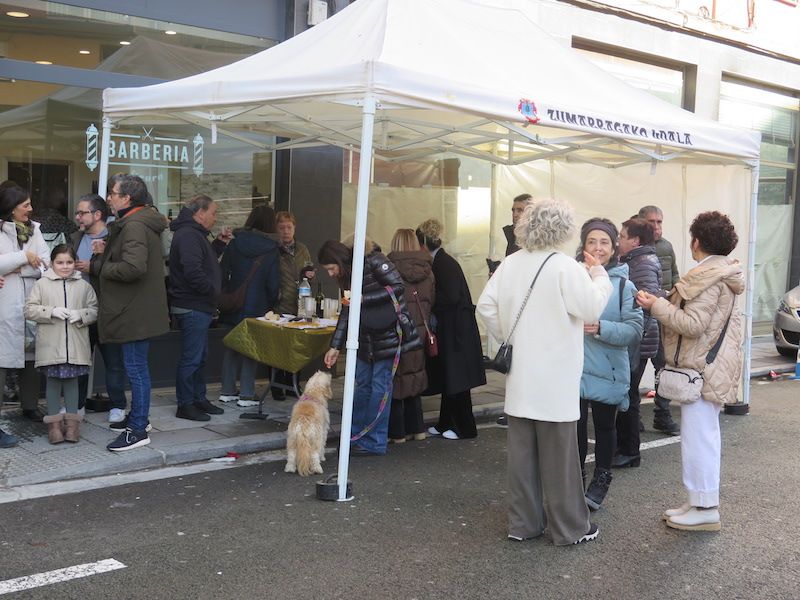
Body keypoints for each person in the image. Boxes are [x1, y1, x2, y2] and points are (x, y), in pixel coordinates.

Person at [477, 198, 612, 545]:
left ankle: (523, 524)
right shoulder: (565, 266)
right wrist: (598, 275)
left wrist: (508, 334)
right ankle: (570, 527)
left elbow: (486, 305)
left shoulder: (510, 263)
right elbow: (591, 306)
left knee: (522, 461)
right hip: (556, 377)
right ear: (564, 229)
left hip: (521, 374)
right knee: (561, 460)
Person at [636, 211, 743, 531]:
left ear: (696, 241)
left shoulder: (707, 278)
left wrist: (656, 306)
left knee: (700, 439)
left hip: (701, 369)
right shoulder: (722, 273)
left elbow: (693, 325)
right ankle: (698, 500)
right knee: (703, 437)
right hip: (710, 368)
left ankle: (705, 507)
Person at [92, 174, 170, 451]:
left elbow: (133, 268)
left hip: (133, 310)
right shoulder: (138, 221)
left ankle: (137, 429)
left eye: (113, 193)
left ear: (127, 198)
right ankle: (139, 419)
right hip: (136, 308)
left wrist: (101, 265)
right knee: (137, 368)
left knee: (136, 370)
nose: (109, 198)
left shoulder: (135, 225)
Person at [320, 238, 419, 455]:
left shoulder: (375, 260)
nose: (330, 274)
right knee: (363, 386)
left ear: (339, 261)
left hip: (388, 335)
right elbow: (347, 310)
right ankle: (356, 436)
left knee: (378, 388)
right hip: (364, 338)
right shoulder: (347, 275)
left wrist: (363, 298)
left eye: (330, 268)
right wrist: (335, 346)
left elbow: (398, 287)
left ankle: (374, 441)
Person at [575, 218, 643, 510]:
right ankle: (574, 481)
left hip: (608, 369)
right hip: (573, 367)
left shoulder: (625, 285)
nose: (598, 248)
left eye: (604, 242)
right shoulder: (572, 278)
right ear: (583, 245)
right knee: (574, 428)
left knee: (605, 427)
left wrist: (602, 328)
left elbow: (635, 330)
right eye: (592, 241)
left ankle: (601, 479)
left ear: (615, 246)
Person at [416, 219, 485, 440]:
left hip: (457, 331)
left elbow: (452, 297)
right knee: (450, 377)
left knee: (458, 381)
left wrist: (430, 301)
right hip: (455, 329)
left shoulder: (443, 264)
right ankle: (446, 422)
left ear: (424, 245)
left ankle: (465, 428)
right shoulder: (443, 262)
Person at [25, 244, 98, 444]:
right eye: (60, 262)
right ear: (52, 263)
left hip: (75, 346)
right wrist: (51, 311)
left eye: (69, 262)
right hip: (51, 345)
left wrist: (81, 314)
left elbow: (94, 310)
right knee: (53, 384)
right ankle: (55, 428)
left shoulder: (84, 286)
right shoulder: (42, 284)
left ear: (75, 263)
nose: (65, 266)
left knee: (73, 383)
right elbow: (29, 309)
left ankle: (73, 427)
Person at [168, 194, 227, 421]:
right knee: (192, 358)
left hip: (197, 305)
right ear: (199, 213)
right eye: (213, 213)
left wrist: (219, 243)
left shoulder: (194, 234)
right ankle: (185, 404)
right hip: (193, 305)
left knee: (199, 356)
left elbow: (204, 261)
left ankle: (198, 398)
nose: (215, 217)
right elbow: (193, 271)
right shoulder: (189, 235)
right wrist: (213, 292)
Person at [70, 193, 128, 423]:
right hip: (81, 309)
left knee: (113, 360)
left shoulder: (115, 238)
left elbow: (124, 269)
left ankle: (117, 405)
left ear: (97, 214)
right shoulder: (75, 237)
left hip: (107, 309)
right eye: (77, 212)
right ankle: (77, 405)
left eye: (82, 212)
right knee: (80, 361)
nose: (77, 217)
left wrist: (93, 266)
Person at [0, 182, 51, 434]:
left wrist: (18, 268)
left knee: (31, 356)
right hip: (5, 305)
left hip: (31, 301)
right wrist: (24, 257)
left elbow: (47, 264)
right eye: (26, 205)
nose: (31, 209)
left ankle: (30, 406)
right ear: (11, 208)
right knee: (2, 358)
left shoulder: (35, 231)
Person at [218, 205, 281, 407]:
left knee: (231, 346)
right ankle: (246, 393)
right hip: (257, 305)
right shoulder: (271, 248)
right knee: (250, 348)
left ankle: (227, 390)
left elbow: (222, 271)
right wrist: (272, 304)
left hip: (232, 303)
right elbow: (273, 284)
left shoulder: (235, 244)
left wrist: (227, 294)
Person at [613, 217, 662, 468]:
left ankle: (630, 450)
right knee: (625, 392)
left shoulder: (641, 264)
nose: (618, 240)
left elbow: (646, 303)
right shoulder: (637, 260)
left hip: (638, 340)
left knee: (629, 394)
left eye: (622, 236)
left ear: (635, 240)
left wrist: (630, 333)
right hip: (639, 338)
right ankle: (623, 446)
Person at [387, 228, 435, 443]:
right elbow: (431, 300)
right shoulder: (428, 270)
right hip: (420, 329)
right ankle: (418, 428)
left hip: (398, 329)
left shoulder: (390, 270)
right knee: (416, 373)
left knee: (397, 377)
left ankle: (398, 433)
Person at [638, 205, 681, 436]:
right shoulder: (632, 246)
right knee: (636, 368)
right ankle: (632, 416)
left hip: (663, 315)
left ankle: (662, 415)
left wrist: (673, 297)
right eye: (651, 222)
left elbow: (674, 275)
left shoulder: (666, 246)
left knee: (663, 367)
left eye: (660, 222)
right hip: (641, 317)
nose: (656, 226)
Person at [494, 193, 531, 428]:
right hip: (514, 309)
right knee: (514, 364)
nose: (516, 214)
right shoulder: (512, 238)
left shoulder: (531, 241)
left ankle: (521, 410)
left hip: (527, 310)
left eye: (520, 210)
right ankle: (515, 410)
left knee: (523, 363)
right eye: (513, 209)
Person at [272, 210, 314, 400]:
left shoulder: (302, 249)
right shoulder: (273, 249)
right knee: (279, 346)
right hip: (279, 304)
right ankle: (276, 384)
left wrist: (310, 275)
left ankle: (293, 382)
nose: (286, 231)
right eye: (282, 228)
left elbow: (309, 269)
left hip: (300, 303)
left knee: (296, 346)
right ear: (276, 229)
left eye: (289, 227)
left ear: (294, 228)